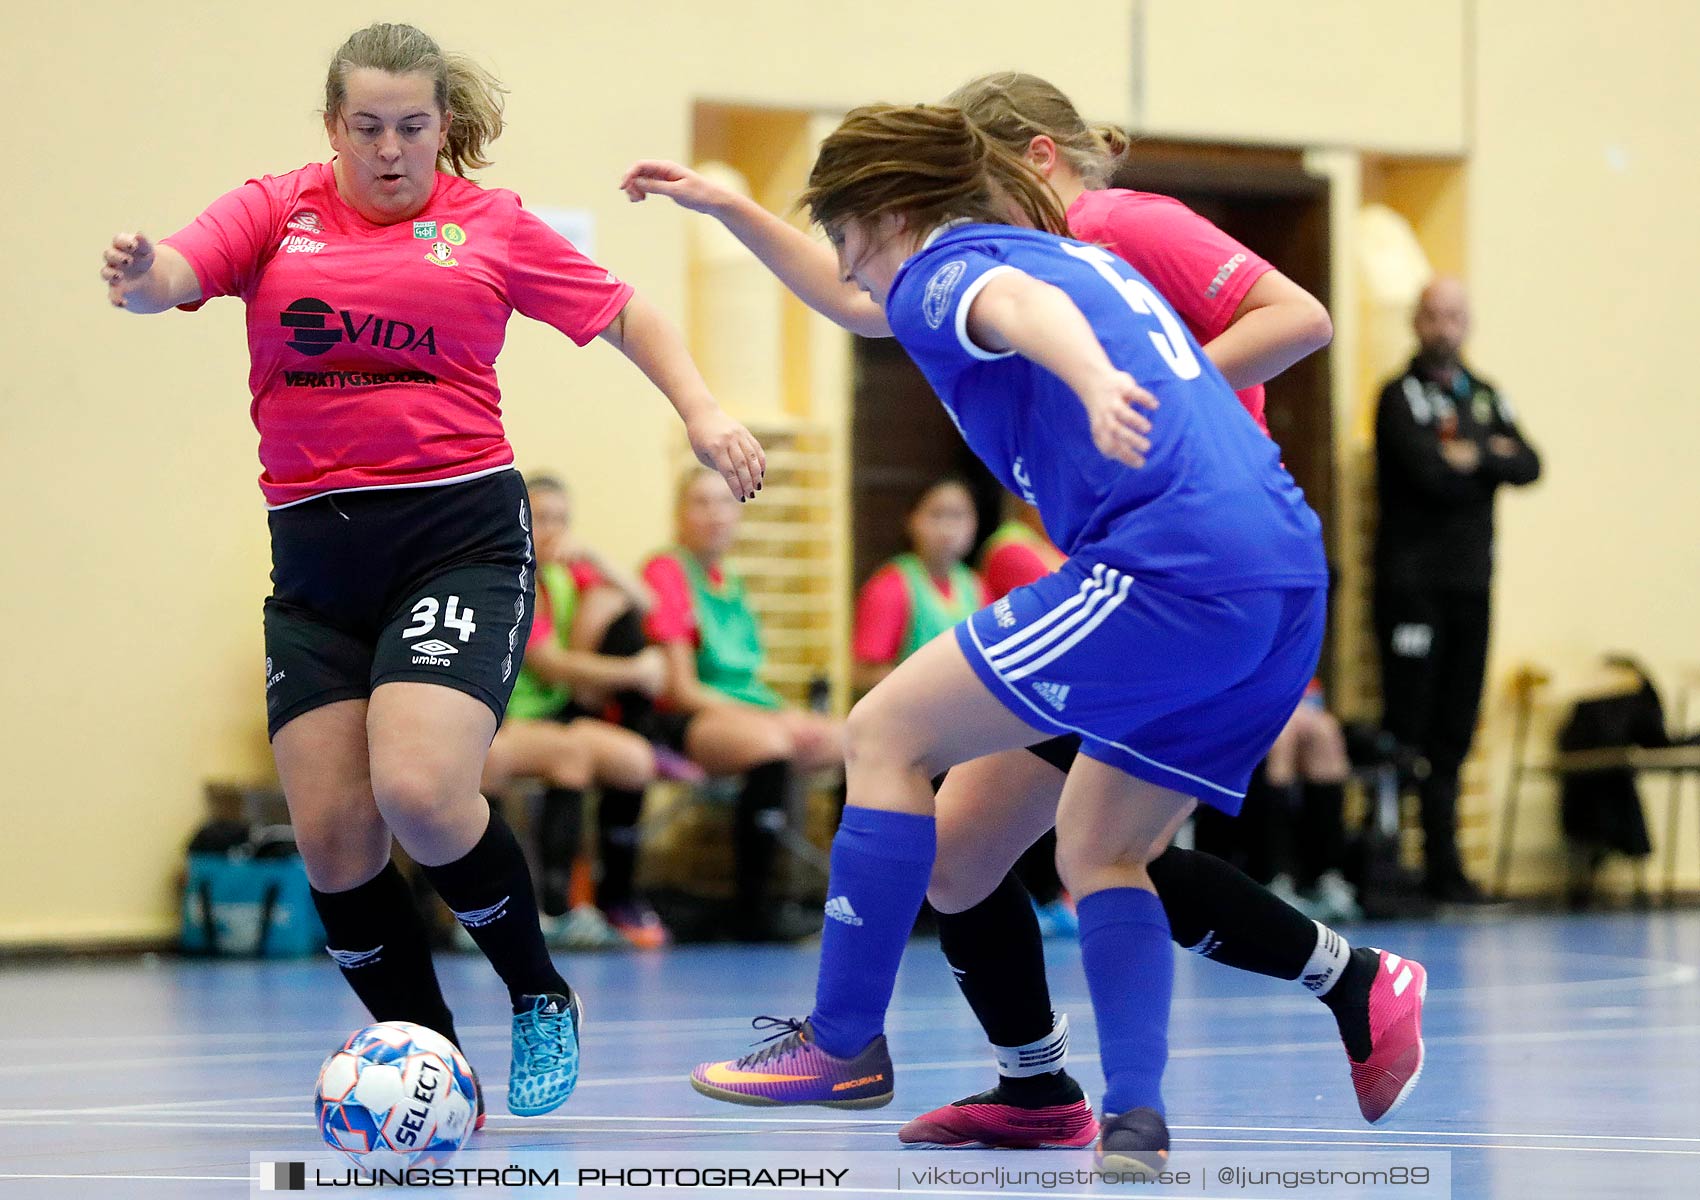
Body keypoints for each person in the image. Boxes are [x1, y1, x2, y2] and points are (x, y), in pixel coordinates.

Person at [625, 73, 1425, 1148]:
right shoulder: (1058, 250)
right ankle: (1124, 1121)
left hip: (1165, 569)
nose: (854, 269)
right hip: (1279, 580)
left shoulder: (963, 265)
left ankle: (841, 1041)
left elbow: (1011, 312)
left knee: (883, 734)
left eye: (847, 237)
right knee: (1089, 847)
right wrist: (730, 208)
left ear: (891, 217)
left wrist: (1093, 382)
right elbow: (866, 295)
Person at [98, 22, 763, 1120]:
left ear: (441, 125)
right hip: (315, 558)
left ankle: (540, 993)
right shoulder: (278, 208)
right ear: (333, 127)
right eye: (367, 128)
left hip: (456, 540)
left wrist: (701, 410)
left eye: (412, 126)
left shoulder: (490, 225)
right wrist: (138, 278)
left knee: (416, 790)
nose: (391, 149)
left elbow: (624, 311)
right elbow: (175, 270)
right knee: (334, 835)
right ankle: (428, 1050)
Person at [1374, 277, 1540, 903]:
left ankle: (1447, 867)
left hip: (1472, 585)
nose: (1444, 327)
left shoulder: (1488, 394)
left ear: (1468, 324)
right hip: (1412, 589)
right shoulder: (1399, 396)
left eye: (1455, 316)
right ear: (1418, 322)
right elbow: (1428, 474)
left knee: (1455, 727)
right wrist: (1480, 458)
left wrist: (1476, 457)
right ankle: (1391, 867)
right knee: (1407, 724)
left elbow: (1529, 464)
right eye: (1434, 315)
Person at [641, 468, 846, 941]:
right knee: (771, 743)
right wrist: (775, 720)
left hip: (747, 711)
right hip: (686, 718)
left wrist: (788, 716)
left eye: (723, 503)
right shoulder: (667, 571)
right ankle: (755, 904)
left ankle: (848, 896)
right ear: (679, 515)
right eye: (700, 503)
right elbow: (681, 689)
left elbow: (748, 681)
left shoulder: (731, 579)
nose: (715, 515)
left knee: (851, 739)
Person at [487, 473, 687, 951]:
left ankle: (616, 897)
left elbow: (647, 602)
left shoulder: (559, 573)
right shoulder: (506, 577)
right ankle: (558, 908)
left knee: (633, 760)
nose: (552, 529)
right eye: (541, 518)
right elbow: (548, 664)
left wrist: (594, 557)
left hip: (557, 715)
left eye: (561, 518)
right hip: (506, 719)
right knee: (570, 757)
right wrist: (634, 673)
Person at [851, 477, 988, 694]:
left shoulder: (976, 586)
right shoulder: (890, 586)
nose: (948, 528)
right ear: (912, 520)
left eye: (958, 516)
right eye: (937, 515)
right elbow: (862, 673)